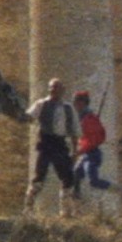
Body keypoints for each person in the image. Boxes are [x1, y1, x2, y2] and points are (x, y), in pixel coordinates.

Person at [24, 78, 80, 216]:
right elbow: (29, 117)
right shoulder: (41, 104)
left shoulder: (68, 108)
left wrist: (75, 151)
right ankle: (28, 209)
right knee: (39, 178)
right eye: (51, 87)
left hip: (60, 144)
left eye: (56, 87)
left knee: (68, 177)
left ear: (62, 90)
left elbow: (74, 130)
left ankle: (66, 211)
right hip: (45, 143)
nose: (53, 90)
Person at [72, 90, 122, 200]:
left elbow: (94, 139)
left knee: (93, 181)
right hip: (86, 153)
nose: (75, 105)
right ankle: (76, 198)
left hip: (92, 154)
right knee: (76, 174)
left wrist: (80, 150)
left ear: (83, 103)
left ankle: (121, 190)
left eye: (77, 102)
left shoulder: (89, 119)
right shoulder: (83, 118)